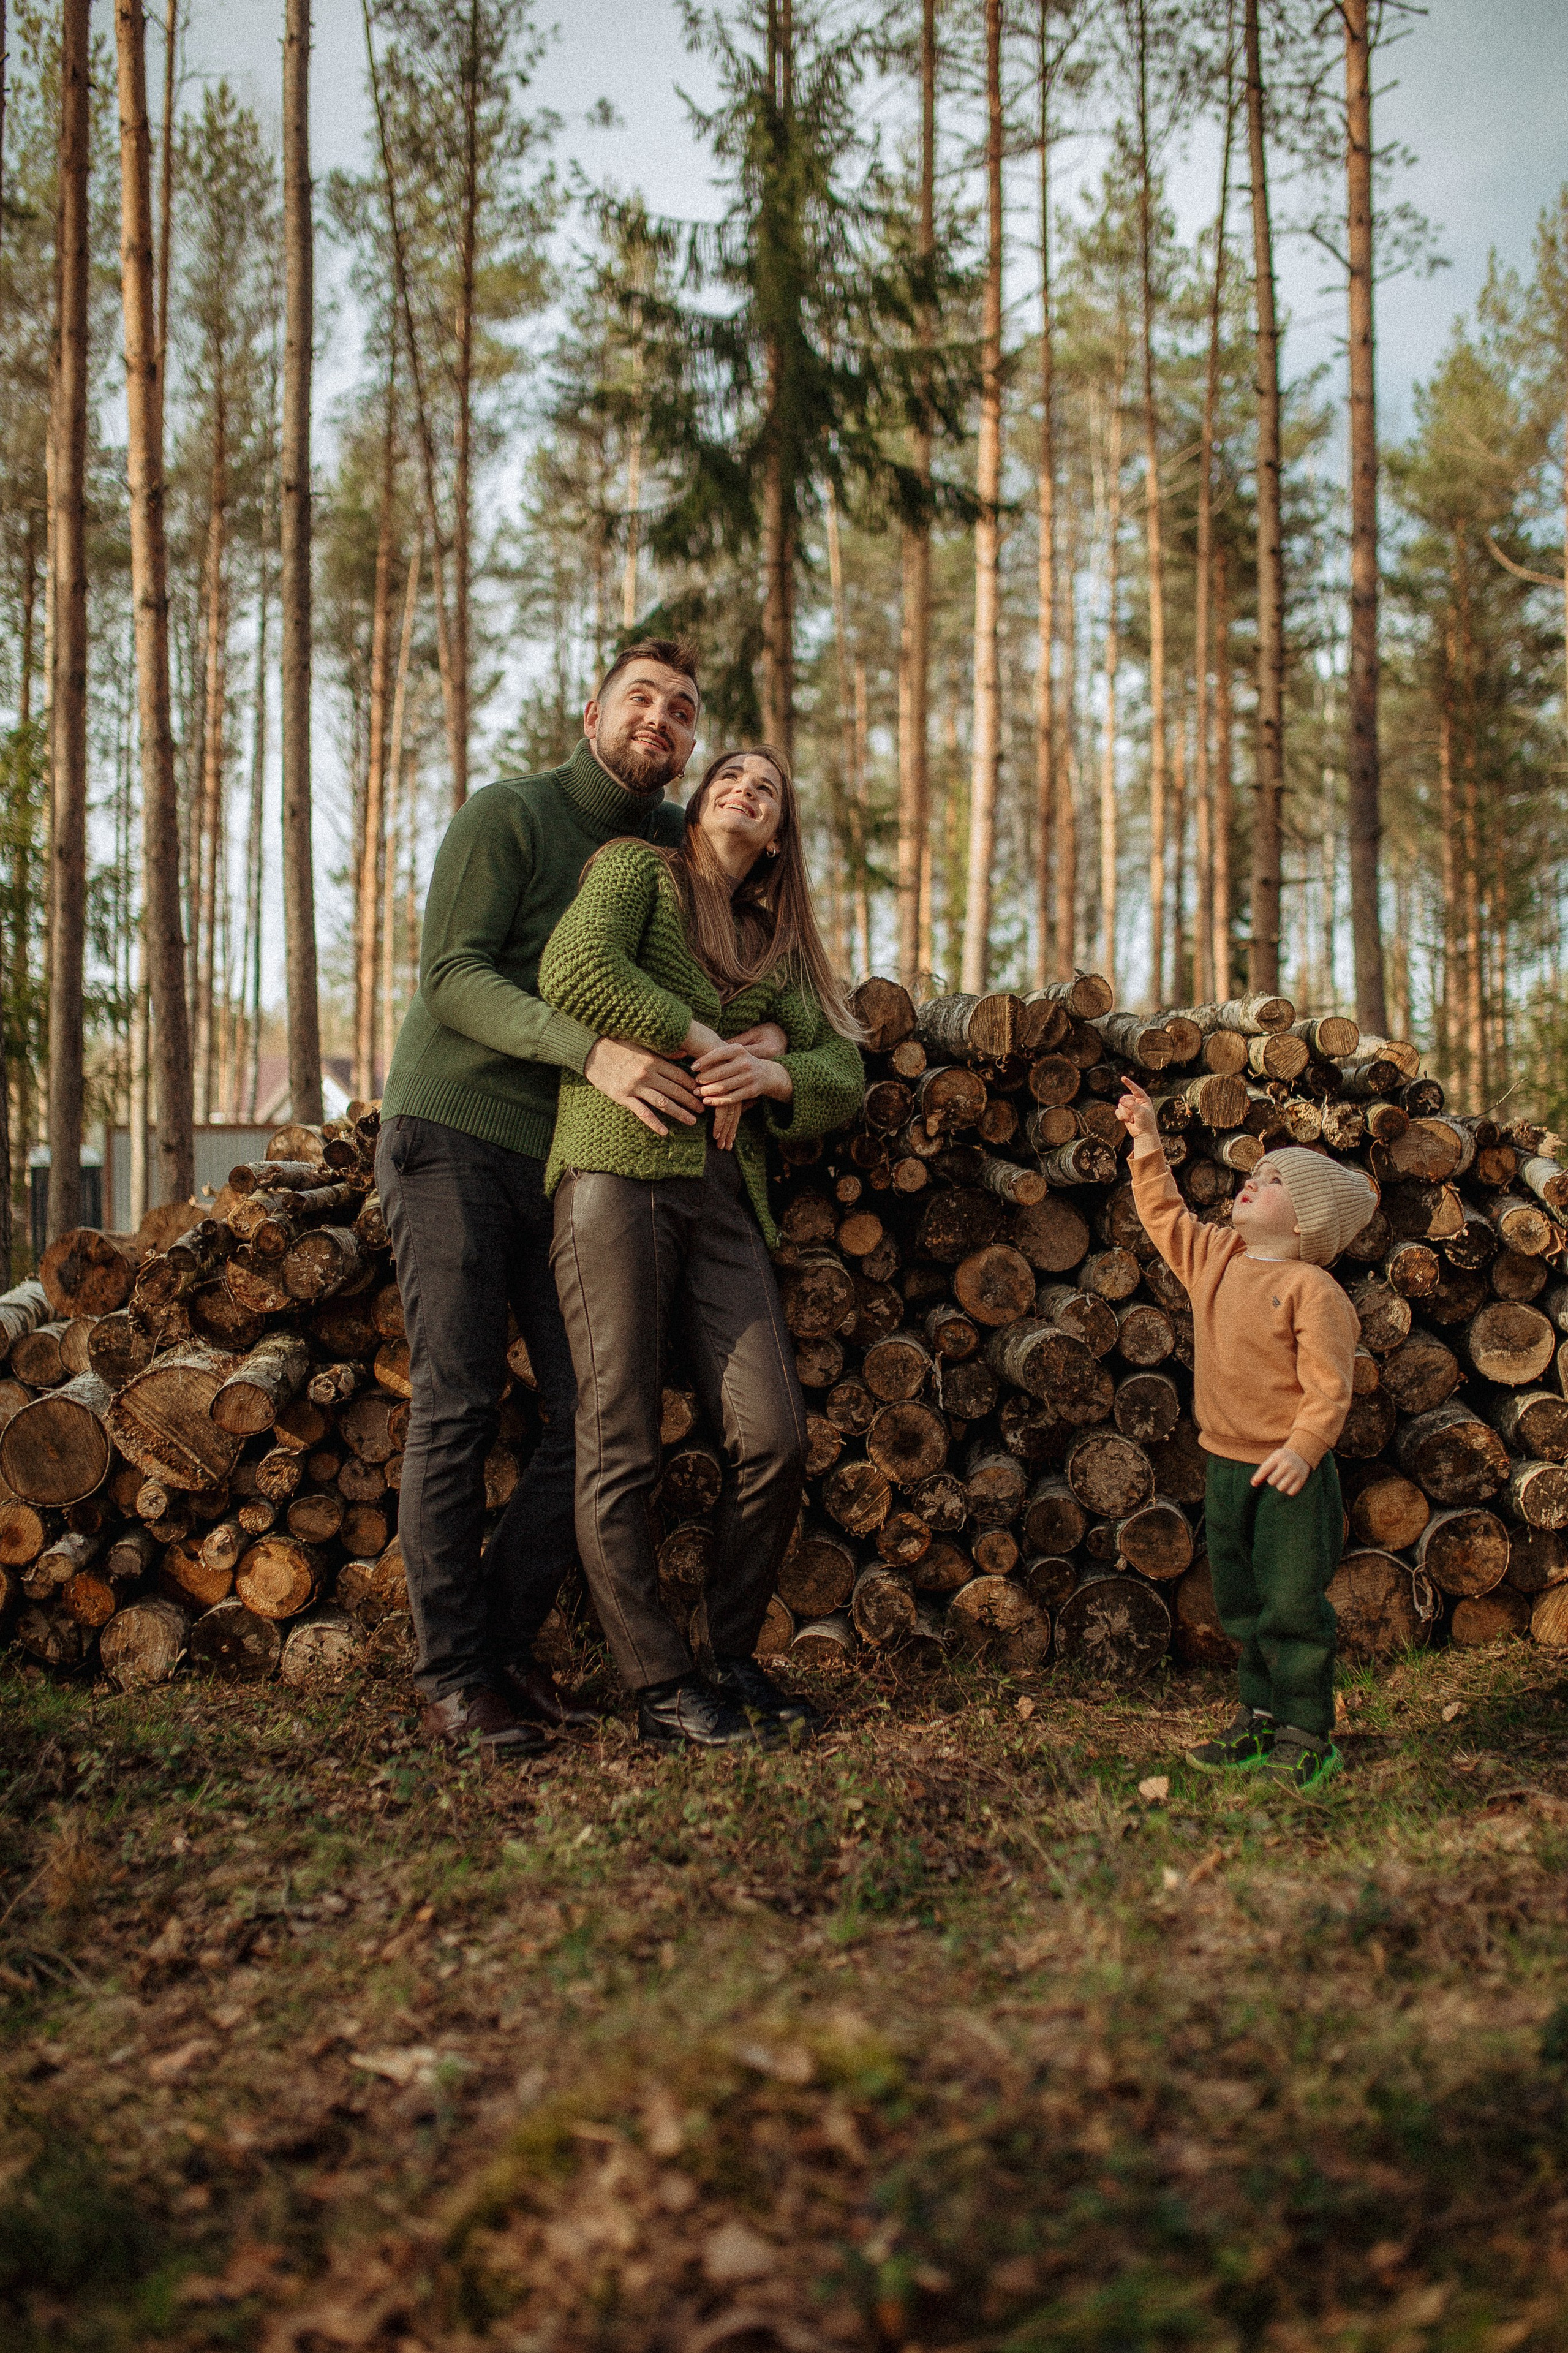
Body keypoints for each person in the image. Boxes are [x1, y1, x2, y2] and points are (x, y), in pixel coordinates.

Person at [376, 640, 791, 1758]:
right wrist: (594, 1050)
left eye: (684, 711)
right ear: (594, 709)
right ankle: (452, 1673)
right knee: (456, 1403)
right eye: (642, 699)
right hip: (456, 1132)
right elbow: (453, 975)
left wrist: (770, 1038)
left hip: (570, 1158)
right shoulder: (509, 814)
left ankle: (506, 1648)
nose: (662, 720)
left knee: (590, 1419)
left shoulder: (667, 846)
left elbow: (725, 944)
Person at [537, 744, 865, 1753]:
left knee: (775, 1436)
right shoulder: (638, 872)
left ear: (775, 842)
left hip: (725, 1200)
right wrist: (704, 1039)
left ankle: (728, 1658)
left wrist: (772, 1077)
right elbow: (574, 970)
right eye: (729, 777)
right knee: (619, 1435)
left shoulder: (770, 944)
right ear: (697, 807)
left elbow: (840, 1069)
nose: (744, 791)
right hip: (613, 1169)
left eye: (765, 791)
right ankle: (659, 1685)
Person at [1115, 1080, 1377, 1792]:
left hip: (1288, 1474)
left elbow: (1330, 1385)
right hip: (1225, 1464)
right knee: (1242, 1600)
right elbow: (1164, 1215)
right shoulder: (1217, 1259)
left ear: (1306, 1227)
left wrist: (1305, 1446)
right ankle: (1258, 1714)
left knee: (1292, 1602)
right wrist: (1145, 1141)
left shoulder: (1310, 1290)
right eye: (1255, 1173)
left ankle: (1305, 1729)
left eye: (1273, 1181)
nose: (1251, 1182)